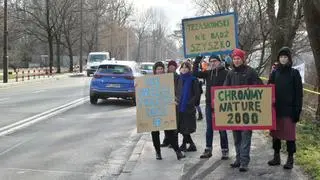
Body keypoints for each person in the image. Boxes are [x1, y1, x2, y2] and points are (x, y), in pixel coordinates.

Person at [224, 48, 263, 172]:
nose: (236, 61)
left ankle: (244, 162)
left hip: (248, 112)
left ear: (243, 59)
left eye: (238, 58)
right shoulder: (230, 73)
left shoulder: (251, 72)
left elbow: (260, 87)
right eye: (234, 58)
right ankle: (238, 159)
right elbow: (225, 90)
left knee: (246, 137)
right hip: (235, 112)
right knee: (237, 138)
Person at [267, 47, 303, 169]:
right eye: (281, 57)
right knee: (276, 135)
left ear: (289, 59)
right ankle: (276, 157)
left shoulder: (294, 73)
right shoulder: (275, 72)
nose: (283, 59)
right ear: (278, 59)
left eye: (285, 57)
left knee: (289, 136)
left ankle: (290, 159)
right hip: (276, 109)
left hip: (289, 110)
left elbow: (299, 93)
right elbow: (268, 89)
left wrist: (297, 110)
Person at [193, 54, 229, 160]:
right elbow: (195, 73)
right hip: (209, 104)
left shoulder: (226, 73)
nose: (213, 63)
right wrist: (198, 60)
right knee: (209, 128)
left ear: (219, 62)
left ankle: (225, 150)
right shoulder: (208, 73)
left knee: (222, 128)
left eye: (215, 61)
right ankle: (208, 149)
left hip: (221, 104)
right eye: (211, 61)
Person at [149, 61, 185, 160]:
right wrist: (137, 87)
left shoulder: (168, 79)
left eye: (161, 69)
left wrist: (175, 99)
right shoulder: (149, 80)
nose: (160, 71)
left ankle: (177, 151)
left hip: (165, 109)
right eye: (158, 69)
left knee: (169, 131)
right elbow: (144, 92)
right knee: (155, 132)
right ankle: (158, 152)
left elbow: (174, 91)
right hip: (154, 110)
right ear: (155, 71)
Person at [176, 62, 200, 152]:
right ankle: (186, 144)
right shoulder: (179, 79)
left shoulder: (193, 79)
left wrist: (190, 103)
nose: (184, 69)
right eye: (183, 67)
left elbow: (197, 94)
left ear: (189, 69)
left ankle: (189, 144)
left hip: (188, 108)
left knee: (186, 128)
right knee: (182, 128)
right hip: (179, 107)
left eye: (186, 67)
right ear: (180, 69)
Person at [161, 60, 179, 148]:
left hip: (173, 100)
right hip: (164, 100)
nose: (171, 68)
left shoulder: (177, 77)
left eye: (173, 66)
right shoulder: (164, 76)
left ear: (176, 67)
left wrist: (176, 97)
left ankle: (174, 142)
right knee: (165, 121)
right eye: (170, 66)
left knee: (173, 123)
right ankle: (166, 140)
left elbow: (179, 88)